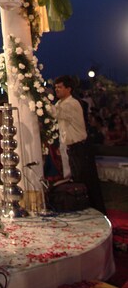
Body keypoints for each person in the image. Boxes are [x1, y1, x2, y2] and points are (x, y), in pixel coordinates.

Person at [53, 76, 106, 213]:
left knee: (87, 181)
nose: (56, 89)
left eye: (60, 87)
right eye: (56, 87)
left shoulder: (72, 104)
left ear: (69, 89)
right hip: (70, 147)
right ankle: (81, 208)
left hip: (80, 147)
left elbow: (56, 113)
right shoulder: (59, 103)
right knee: (75, 180)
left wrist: (40, 103)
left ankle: (95, 210)